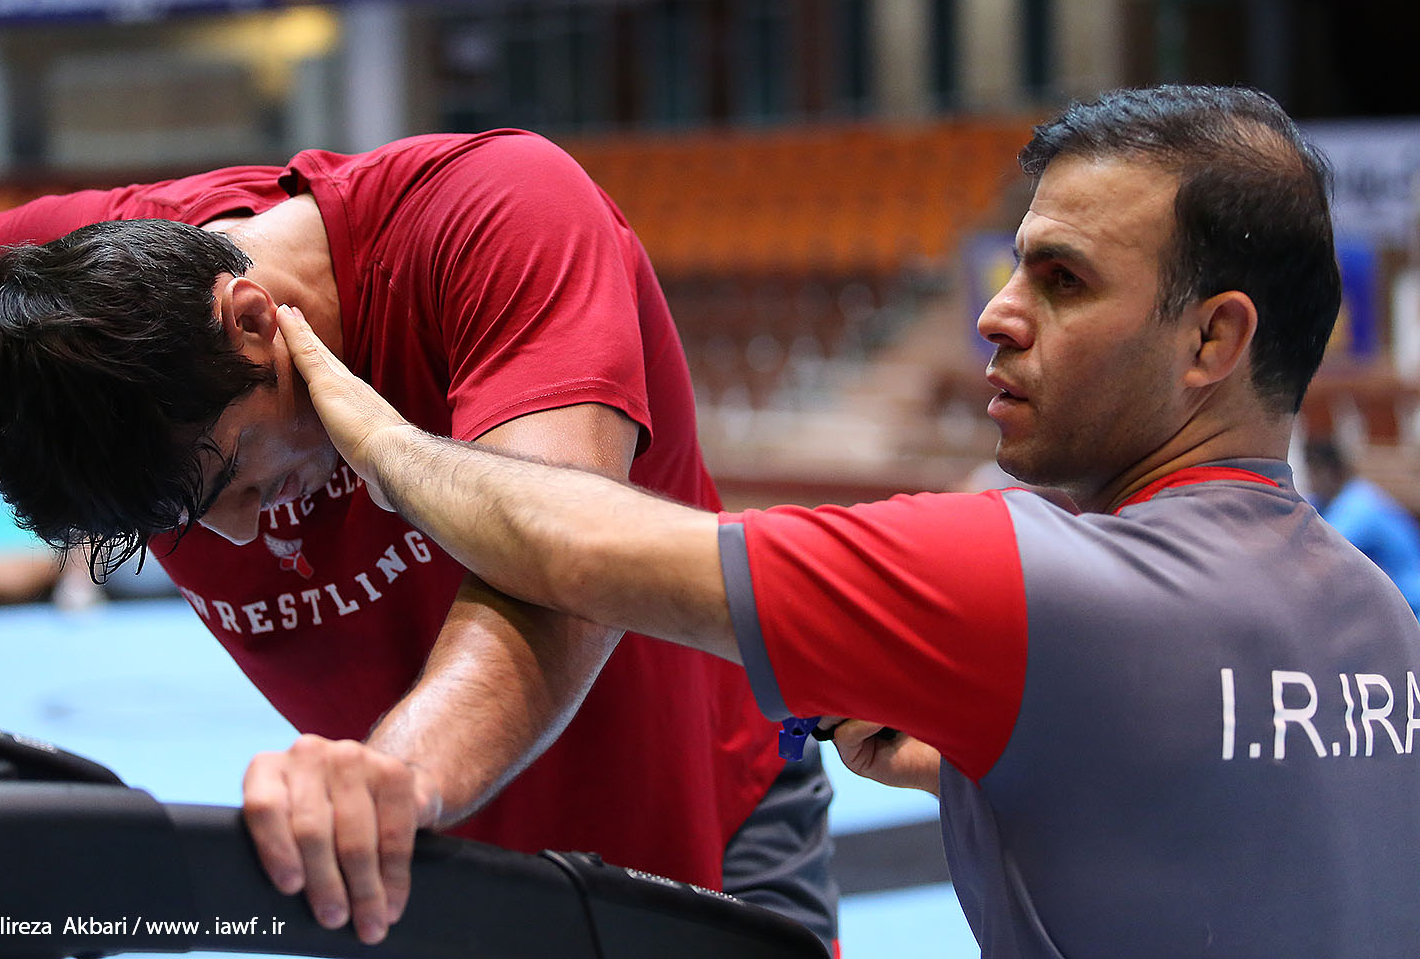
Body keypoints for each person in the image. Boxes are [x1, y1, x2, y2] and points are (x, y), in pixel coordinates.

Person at [266, 85, 1420, 957]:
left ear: (1213, 340)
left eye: (1061, 281)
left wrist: (374, 431)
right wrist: (983, 766)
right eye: (1012, 269)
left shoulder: (1023, 574)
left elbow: (566, 546)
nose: (995, 314)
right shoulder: (1380, 619)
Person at [0, 132, 836, 946]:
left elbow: (566, 566)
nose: (240, 535)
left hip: (698, 817)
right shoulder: (67, 317)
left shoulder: (496, 217)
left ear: (253, 320)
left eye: (237, 476)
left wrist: (389, 779)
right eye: (184, 522)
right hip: (425, 868)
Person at [1304, 437, 1420, 614]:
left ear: (1335, 472)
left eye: (1315, 472)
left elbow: (1320, 549)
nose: (1311, 480)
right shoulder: (1322, 499)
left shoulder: (1361, 503)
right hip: (1387, 607)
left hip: (1411, 607)